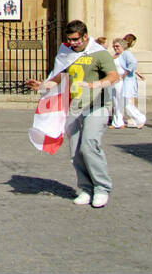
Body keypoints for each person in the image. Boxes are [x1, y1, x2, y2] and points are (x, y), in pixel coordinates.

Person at [26, 19, 118, 208]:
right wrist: (42, 86)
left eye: (76, 39)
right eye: (70, 40)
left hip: (97, 105)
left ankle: (101, 187)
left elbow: (113, 76)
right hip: (76, 106)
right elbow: (60, 77)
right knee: (75, 151)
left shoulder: (99, 53)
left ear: (85, 36)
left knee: (89, 144)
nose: (73, 43)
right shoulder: (68, 54)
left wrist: (96, 84)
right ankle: (86, 188)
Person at [109, 38, 146, 128]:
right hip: (115, 81)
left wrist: (126, 73)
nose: (115, 48)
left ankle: (140, 118)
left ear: (122, 46)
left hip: (123, 81)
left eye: (117, 46)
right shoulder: (115, 55)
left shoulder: (126, 54)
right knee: (116, 102)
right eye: (114, 46)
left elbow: (133, 63)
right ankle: (117, 122)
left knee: (126, 102)